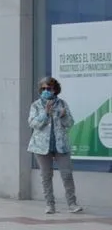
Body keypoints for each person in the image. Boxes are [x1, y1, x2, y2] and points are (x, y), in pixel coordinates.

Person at [28, 76, 81, 214]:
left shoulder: (62, 104)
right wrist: (45, 113)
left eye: (49, 88)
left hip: (61, 145)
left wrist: (64, 116)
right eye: (44, 88)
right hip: (40, 146)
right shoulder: (36, 105)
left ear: (55, 89)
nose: (46, 91)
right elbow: (33, 124)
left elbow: (70, 123)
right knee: (46, 176)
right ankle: (50, 205)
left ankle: (72, 204)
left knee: (67, 174)